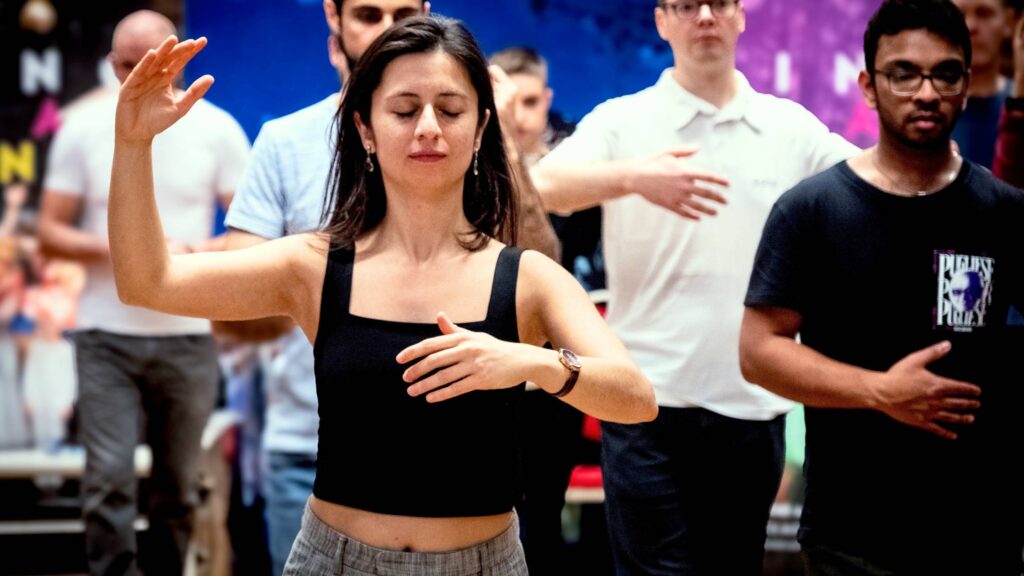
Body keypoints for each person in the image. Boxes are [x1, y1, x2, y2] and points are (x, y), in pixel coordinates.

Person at [107, 16, 657, 575]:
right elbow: (148, 282)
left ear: (480, 127)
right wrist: (132, 142)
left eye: (450, 109)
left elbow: (637, 397)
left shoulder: (528, 277)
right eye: (403, 109)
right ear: (365, 129)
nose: (427, 128)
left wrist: (529, 361)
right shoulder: (313, 266)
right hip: (333, 560)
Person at [530, 1, 857, 573]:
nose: (704, 15)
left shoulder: (787, 126)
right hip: (643, 401)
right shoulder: (624, 119)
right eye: (685, 4)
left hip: (751, 403)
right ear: (662, 21)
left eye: (720, 3)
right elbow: (542, 186)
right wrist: (633, 177)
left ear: (740, 16)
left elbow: (868, 186)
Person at [740, 0, 1024, 573]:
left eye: (945, 73)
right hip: (852, 532)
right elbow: (759, 351)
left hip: (982, 531)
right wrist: (879, 391)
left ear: (966, 85)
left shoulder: (1004, 211)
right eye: (904, 73)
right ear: (870, 86)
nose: (926, 92)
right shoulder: (812, 210)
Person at [214, 2, 427, 573]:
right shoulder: (286, 141)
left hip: (443, 447)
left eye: (405, 12)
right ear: (334, 22)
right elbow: (236, 301)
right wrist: (321, 276)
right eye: (369, 13)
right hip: (308, 444)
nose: (389, 29)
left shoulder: (462, 139)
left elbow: (512, 276)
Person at [37, 10, 250, 575]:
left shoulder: (217, 128)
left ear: (177, 57)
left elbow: (251, 231)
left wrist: (190, 255)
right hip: (105, 335)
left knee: (179, 489)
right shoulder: (82, 126)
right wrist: (129, 250)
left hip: (188, 336)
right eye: (128, 67)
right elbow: (49, 230)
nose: (139, 79)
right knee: (107, 483)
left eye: (151, 64)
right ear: (111, 64)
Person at [950, 0, 1014, 167]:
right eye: (959, 15)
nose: (970, 26)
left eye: (984, 13)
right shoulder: (925, 107)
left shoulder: (1018, 106)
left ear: (1008, 21)